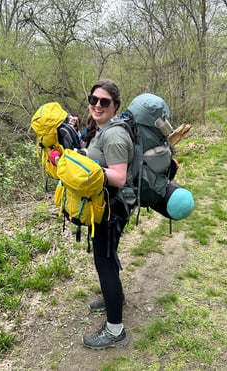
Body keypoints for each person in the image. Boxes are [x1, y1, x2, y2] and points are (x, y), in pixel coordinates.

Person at [80, 79, 134, 349]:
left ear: (116, 106)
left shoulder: (113, 134)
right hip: (106, 206)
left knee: (104, 261)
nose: (97, 105)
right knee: (107, 255)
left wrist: (85, 171)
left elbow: (119, 177)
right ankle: (115, 297)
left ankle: (115, 331)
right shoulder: (101, 129)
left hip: (113, 208)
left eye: (104, 102)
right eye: (94, 100)